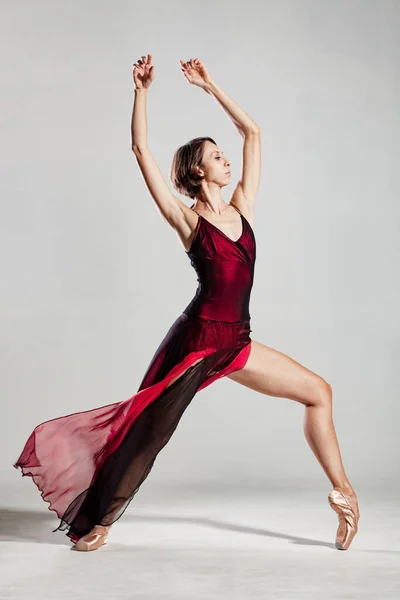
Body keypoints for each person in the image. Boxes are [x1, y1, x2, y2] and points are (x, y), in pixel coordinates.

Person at [13, 54, 359, 552]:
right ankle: (98, 521)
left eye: (224, 155)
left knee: (318, 391)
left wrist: (209, 85)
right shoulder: (187, 221)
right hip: (195, 341)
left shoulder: (243, 206)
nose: (227, 160)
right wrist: (143, 91)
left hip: (235, 341)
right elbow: (139, 149)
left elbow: (254, 132)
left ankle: (345, 496)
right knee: (146, 429)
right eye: (217, 156)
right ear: (198, 170)